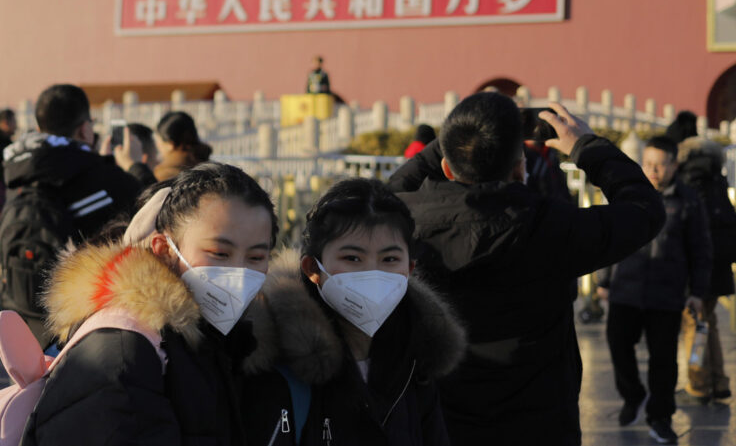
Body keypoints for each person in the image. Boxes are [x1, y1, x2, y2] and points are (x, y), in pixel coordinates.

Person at [389, 92, 666, 446]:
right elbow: (645, 208)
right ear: (521, 168)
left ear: (446, 165)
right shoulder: (553, 227)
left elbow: (373, 194)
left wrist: (455, 139)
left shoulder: (403, 225)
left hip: (442, 422)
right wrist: (585, 146)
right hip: (542, 424)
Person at [20, 162, 278, 445]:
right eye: (219, 253)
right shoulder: (124, 349)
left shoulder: (212, 341)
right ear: (165, 250)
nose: (238, 272)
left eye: (255, 258)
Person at [243, 178, 465, 445]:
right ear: (313, 268)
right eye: (352, 258)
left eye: (390, 259)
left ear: (409, 270)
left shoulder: (415, 362)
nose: (372, 274)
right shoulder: (279, 369)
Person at [0, 85, 144, 344]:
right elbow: (149, 214)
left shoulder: (14, 172)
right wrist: (135, 166)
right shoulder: (106, 178)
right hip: (81, 331)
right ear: (84, 129)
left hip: (22, 326)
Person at [597, 136, 711, 445]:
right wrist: (603, 281)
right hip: (626, 289)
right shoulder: (629, 196)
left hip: (667, 292)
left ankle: (660, 417)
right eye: (647, 164)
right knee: (618, 345)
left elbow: (700, 249)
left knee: (663, 359)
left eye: (660, 165)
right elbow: (612, 236)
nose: (653, 171)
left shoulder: (687, 200)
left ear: (674, 165)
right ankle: (632, 394)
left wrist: (697, 292)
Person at [675, 135, 736, 403]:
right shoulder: (717, 180)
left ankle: (699, 384)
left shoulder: (689, 179)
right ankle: (719, 380)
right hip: (719, 263)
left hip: (697, 265)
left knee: (694, 323)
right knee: (708, 323)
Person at [154, 111, 212, 181]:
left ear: (170, 144)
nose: (158, 146)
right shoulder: (213, 169)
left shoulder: (163, 175)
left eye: (159, 143)